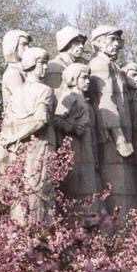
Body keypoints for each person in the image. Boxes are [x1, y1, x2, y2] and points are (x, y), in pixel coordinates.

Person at [0, 47, 57, 226]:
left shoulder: (16, 93)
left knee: (20, 191)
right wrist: (17, 136)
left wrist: (12, 138)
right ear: (32, 65)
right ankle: (39, 235)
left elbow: (7, 122)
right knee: (40, 191)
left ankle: (19, 231)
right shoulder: (45, 90)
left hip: (18, 149)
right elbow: (41, 120)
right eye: (42, 63)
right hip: (40, 147)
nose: (45, 68)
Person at [88, 25, 137, 219]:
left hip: (121, 134)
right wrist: (119, 138)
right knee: (117, 188)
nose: (116, 44)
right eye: (111, 39)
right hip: (111, 136)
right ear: (98, 43)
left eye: (118, 40)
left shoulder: (114, 66)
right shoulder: (100, 65)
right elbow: (105, 102)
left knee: (125, 187)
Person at [54, 63, 101, 203]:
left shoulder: (84, 100)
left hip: (87, 149)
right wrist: (73, 127)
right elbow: (56, 119)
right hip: (76, 148)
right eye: (84, 78)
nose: (87, 81)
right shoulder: (70, 96)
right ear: (74, 78)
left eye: (88, 78)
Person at [45, 26, 87, 91]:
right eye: (77, 42)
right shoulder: (55, 67)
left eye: (82, 43)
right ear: (66, 44)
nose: (81, 46)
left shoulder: (82, 64)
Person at [1, 29, 32, 112]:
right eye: (24, 45)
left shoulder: (22, 70)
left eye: (28, 45)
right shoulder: (13, 73)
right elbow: (23, 101)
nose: (28, 48)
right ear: (13, 46)